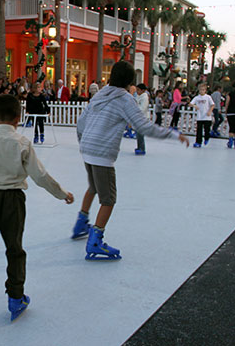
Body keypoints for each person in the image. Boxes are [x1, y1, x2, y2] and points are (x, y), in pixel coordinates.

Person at [0, 94, 74, 325]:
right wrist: (62, 193)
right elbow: (39, 175)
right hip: (13, 200)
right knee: (15, 249)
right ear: (17, 119)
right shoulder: (22, 142)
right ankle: (15, 298)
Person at [72, 61, 189, 260]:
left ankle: (81, 223)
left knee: (93, 187)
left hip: (88, 148)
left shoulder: (100, 93)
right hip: (101, 153)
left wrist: (83, 141)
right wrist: (171, 134)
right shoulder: (125, 99)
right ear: (130, 81)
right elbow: (143, 127)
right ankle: (95, 240)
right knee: (108, 199)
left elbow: (82, 120)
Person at [189, 81, 215, 148]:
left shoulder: (208, 97)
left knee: (207, 129)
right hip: (200, 117)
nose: (201, 91)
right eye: (200, 90)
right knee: (199, 130)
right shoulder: (197, 98)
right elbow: (190, 103)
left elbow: (212, 105)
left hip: (207, 117)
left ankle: (206, 138)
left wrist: (210, 111)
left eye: (203, 90)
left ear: (205, 90)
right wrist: (194, 106)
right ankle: (198, 142)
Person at [134, 83, 150, 155]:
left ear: (142, 90)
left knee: (140, 134)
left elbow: (142, 108)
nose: (137, 91)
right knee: (138, 134)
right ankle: (139, 147)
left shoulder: (144, 97)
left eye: (138, 90)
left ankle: (142, 148)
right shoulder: (139, 96)